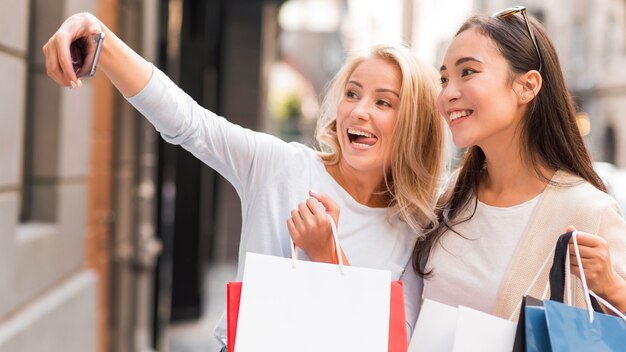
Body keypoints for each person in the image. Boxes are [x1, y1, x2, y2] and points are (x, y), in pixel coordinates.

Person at [43, 13, 446, 349]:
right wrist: (100, 39)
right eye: (353, 94)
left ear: (413, 124)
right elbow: (187, 120)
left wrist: (328, 258)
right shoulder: (280, 166)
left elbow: (391, 342)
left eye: (383, 102)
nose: (358, 111)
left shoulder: (413, 227)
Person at [412, 6, 626, 320]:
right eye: (444, 79)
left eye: (467, 72)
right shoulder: (452, 192)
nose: (448, 94)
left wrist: (613, 291)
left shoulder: (589, 211)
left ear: (527, 86)